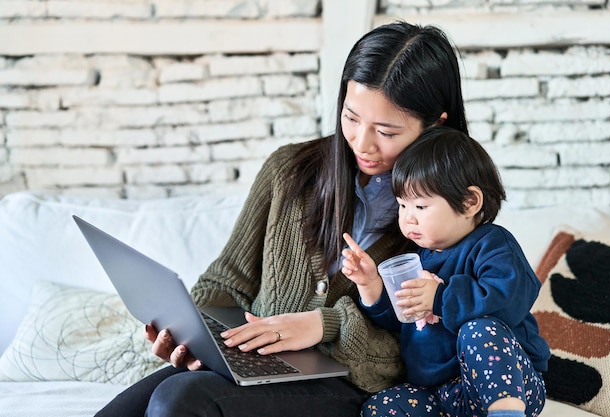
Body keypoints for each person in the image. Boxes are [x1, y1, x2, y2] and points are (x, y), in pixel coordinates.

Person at [95, 21, 468, 417]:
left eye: (386, 131)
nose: (361, 142)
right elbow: (227, 282)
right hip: (255, 362)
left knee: (179, 401)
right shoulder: (288, 170)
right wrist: (192, 336)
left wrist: (325, 325)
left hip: (348, 385)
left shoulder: (450, 214)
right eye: (351, 117)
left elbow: (423, 353)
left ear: (436, 124)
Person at [341, 126, 551, 417]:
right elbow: (399, 318)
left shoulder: (492, 244)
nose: (407, 217)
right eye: (402, 205)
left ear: (469, 203)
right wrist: (371, 283)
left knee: (480, 330)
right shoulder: (417, 259)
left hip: (509, 384)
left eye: (420, 205)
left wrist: (439, 297)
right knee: (380, 407)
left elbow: (508, 299)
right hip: (440, 393)